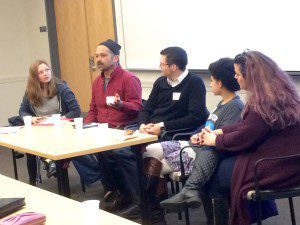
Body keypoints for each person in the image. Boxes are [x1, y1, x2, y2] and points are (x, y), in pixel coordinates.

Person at [168, 51, 300, 225]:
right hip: (288, 162)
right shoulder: (278, 94)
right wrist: (218, 133)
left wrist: (213, 140)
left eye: (237, 73)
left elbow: (246, 137)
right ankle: (192, 190)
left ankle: (197, 196)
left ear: (250, 75)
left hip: (274, 166)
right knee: (216, 158)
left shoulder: (264, 101)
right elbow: (246, 127)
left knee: (213, 176)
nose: (235, 77)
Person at [120, 47, 209, 222]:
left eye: (162, 64)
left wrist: (162, 126)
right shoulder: (161, 82)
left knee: (140, 154)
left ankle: (148, 205)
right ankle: (149, 204)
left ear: (174, 66)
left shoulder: (194, 83)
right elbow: (146, 108)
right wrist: (143, 125)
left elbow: (195, 117)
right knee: (120, 152)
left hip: (173, 134)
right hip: (150, 131)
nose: (159, 67)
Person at [72, 39, 143, 212]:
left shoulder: (129, 78)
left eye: (103, 55)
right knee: (89, 147)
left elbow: (138, 108)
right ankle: (117, 191)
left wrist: (121, 105)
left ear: (115, 57)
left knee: (116, 152)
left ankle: (137, 199)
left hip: (126, 127)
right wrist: (85, 126)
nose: (98, 59)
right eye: (96, 55)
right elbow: (93, 109)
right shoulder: (97, 81)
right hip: (104, 129)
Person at [19, 60, 81, 185]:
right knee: (30, 144)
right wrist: (31, 119)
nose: (45, 74)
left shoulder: (61, 87)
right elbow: (22, 111)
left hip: (60, 127)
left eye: (47, 70)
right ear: (35, 77)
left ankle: (51, 163)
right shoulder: (30, 92)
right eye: (41, 72)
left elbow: (76, 111)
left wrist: (58, 119)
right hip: (41, 128)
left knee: (43, 141)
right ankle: (37, 177)